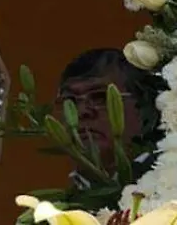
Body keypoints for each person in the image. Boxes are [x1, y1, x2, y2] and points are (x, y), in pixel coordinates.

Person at [56, 48, 147, 185]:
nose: (81, 111)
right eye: (70, 100)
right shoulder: (52, 205)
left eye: (100, 97)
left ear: (143, 107)